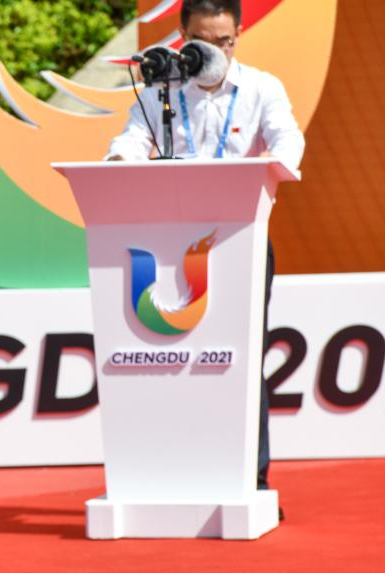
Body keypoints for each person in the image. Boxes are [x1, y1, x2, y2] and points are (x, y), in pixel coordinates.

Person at [107, 0, 304, 500]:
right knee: (172, 357)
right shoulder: (161, 92)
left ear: (238, 34)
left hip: (243, 242)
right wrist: (119, 159)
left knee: (242, 358)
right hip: (169, 249)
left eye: (226, 40)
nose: (216, 50)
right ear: (182, 34)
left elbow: (287, 142)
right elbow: (131, 140)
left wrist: (267, 166)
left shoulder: (262, 88)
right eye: (204, 41)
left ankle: (251, 480)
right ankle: (174, 473)